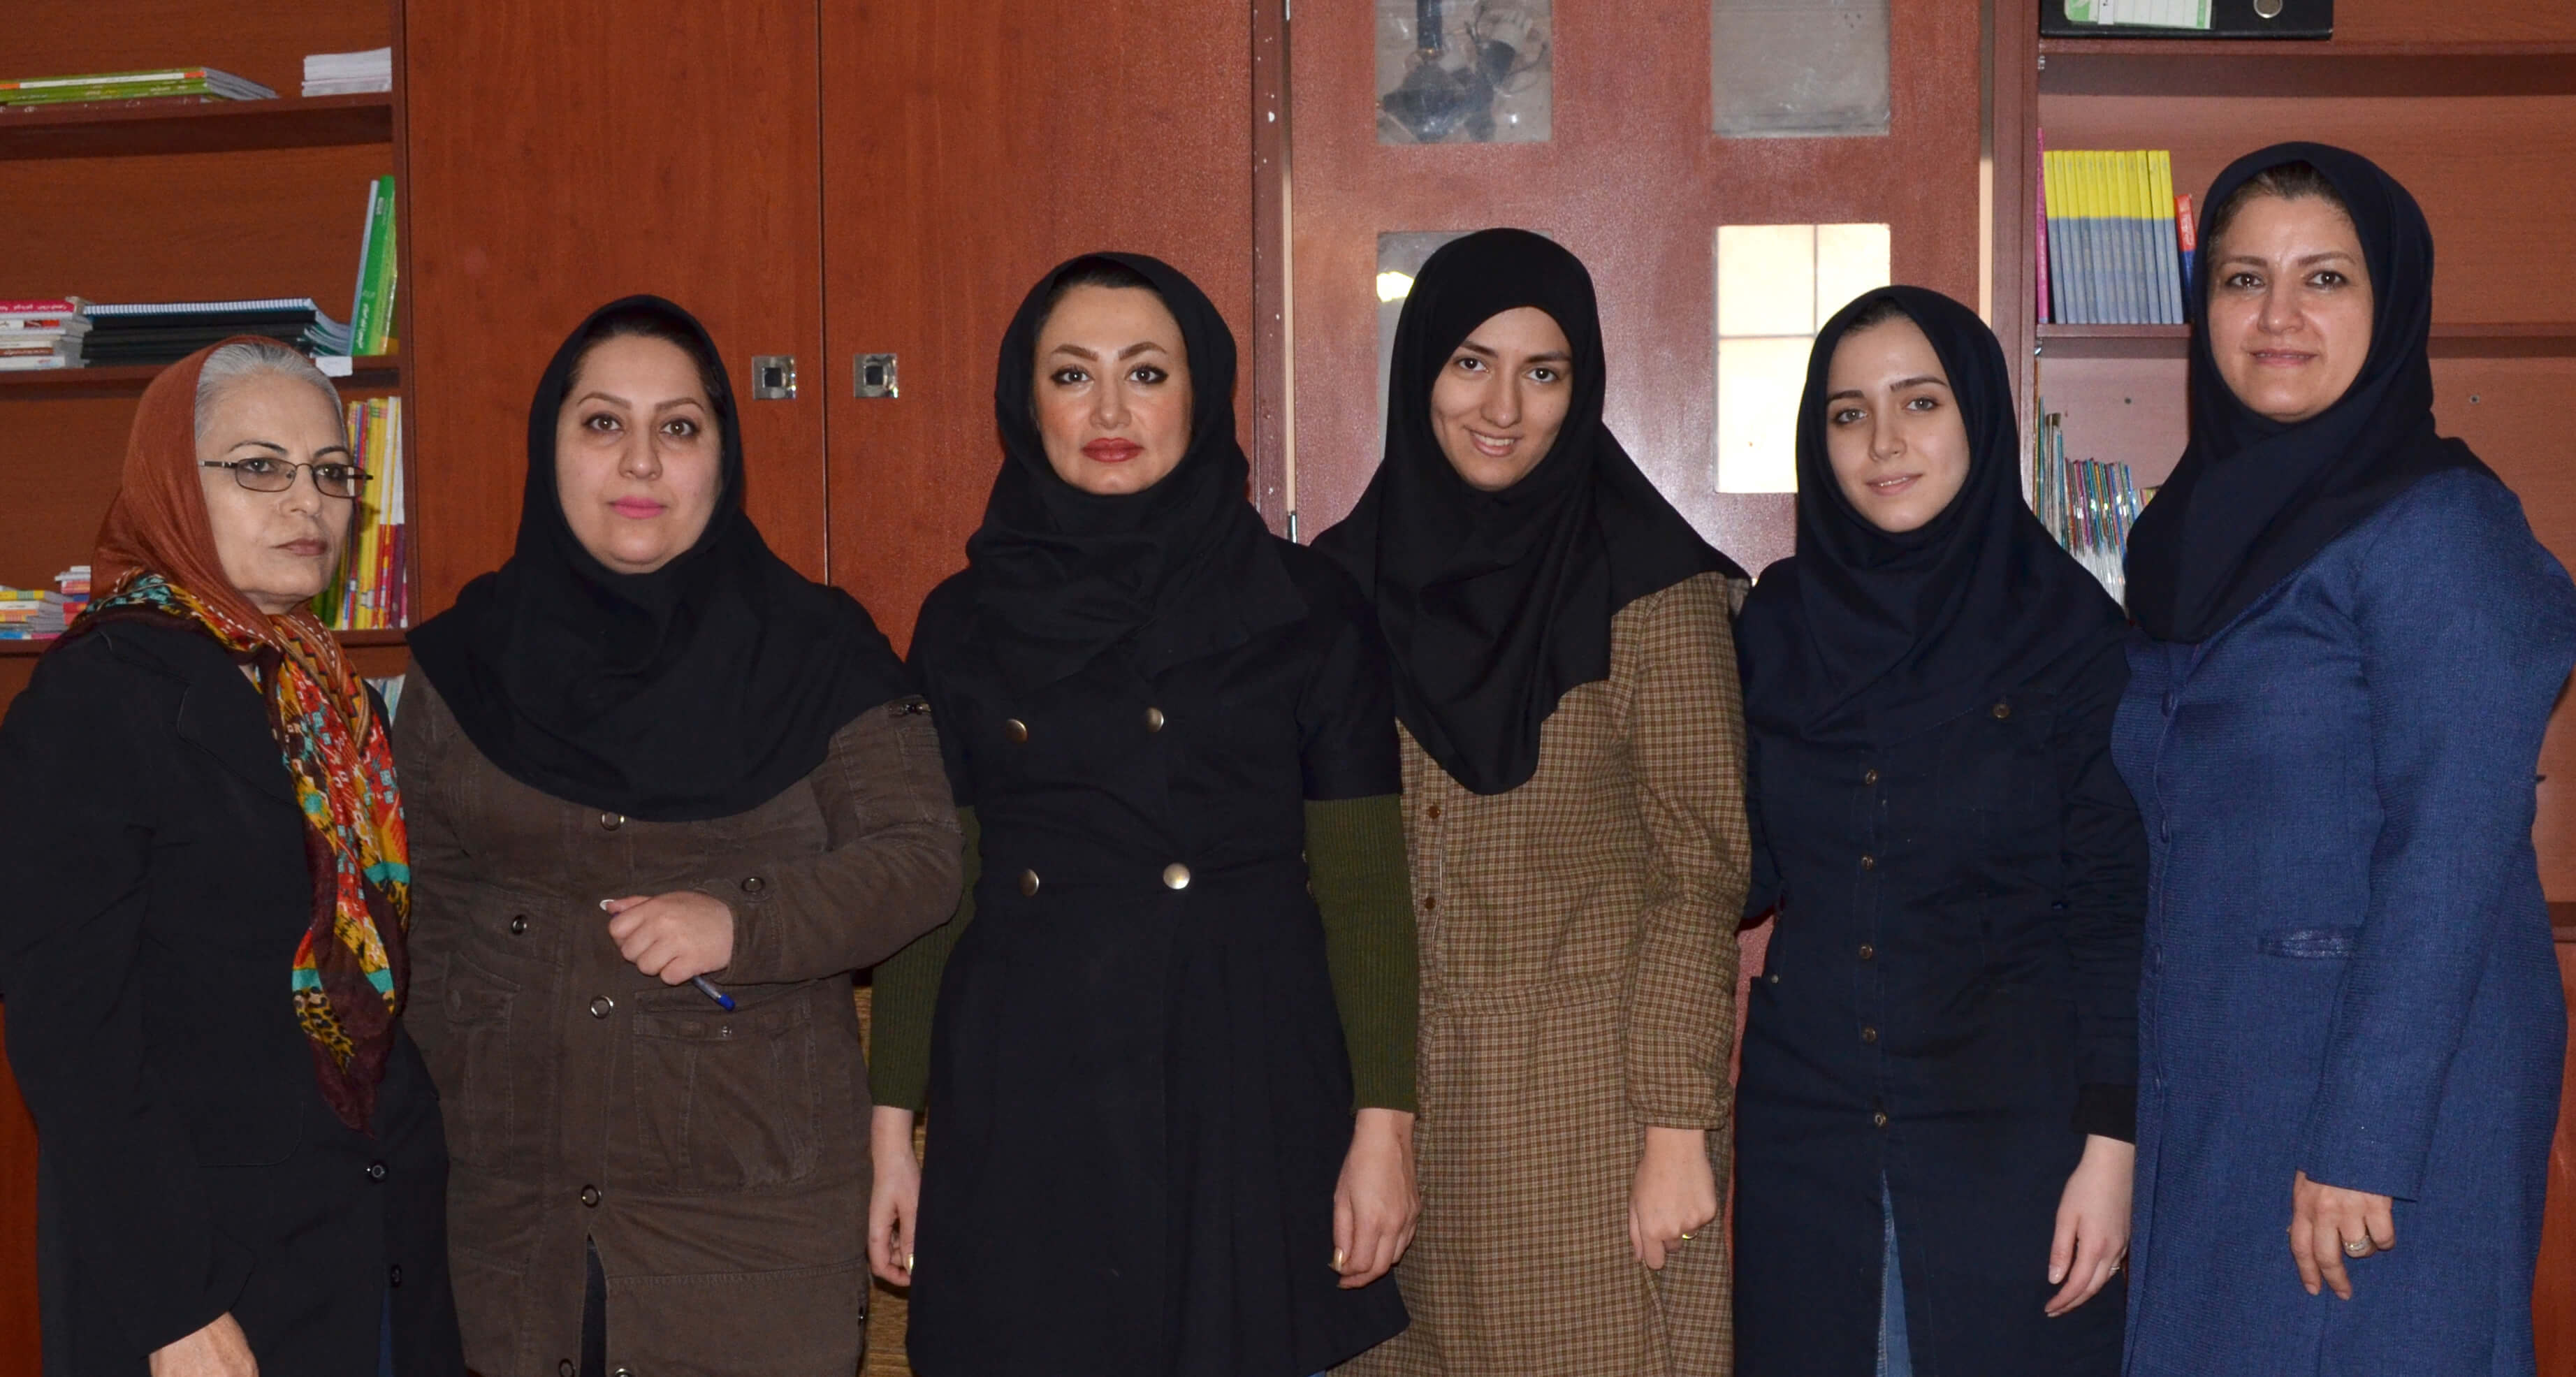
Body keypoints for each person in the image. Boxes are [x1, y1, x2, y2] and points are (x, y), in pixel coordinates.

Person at [865, 252, 1419, 1377]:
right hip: (1030, 1072)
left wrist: (1383, 1128)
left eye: (1147, 373)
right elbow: (937, 888)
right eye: (1073, 375)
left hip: (1242, 1069)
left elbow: (1364, 888)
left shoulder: (1308, 604)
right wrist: (891, 1133)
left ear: (1200, 395)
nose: (1110, 412)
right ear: (1028, 403)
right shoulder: (964, 619)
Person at [395, 296, 961, 1377]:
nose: (642, 462)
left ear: (722, 455)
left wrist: (742, 923)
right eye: (604, 423)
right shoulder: (461, 666)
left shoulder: (819, 649)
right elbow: (427, 918)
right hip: (514, 1221)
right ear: (550, 447)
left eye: (680, 427)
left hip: (747, 1225)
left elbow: (919, 860)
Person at [2116, 143, 2576, 1376]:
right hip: (2221, 1069)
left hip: (2387, 1100)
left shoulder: (2443, 524)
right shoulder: (2183, 531)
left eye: (2324, 278)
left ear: (2393, 303)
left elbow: (2454, 845)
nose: (2277, 316)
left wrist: (2367, 1138)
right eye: (2242, 279)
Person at [1316, 228, 1749, 1376]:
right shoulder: (1337, 589)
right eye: (1472, 363)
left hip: (1594, 1128)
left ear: (1582, 386)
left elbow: (1701, 870)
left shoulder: (1653, 591)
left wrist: (1676, 1127)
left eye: (1543, 372)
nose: (1503, 407)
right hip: (1387, 1116)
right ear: (1420, 371)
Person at [0, 337, 465, 1376]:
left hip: (371, 1241)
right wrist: (176, 1303)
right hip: (205, 1273)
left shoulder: (336, 700)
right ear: (173, 479)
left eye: (332, 473)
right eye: (259, 467)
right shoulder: (101, 694)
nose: (308, 502)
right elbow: (73, 1035)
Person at [1730, 286, 2144, 1376]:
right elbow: (1735, 866)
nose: (1884, 443)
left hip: (2016, 1135)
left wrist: (2113, 1151)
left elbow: (2114, 912)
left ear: (1980, 416)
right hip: (1809, 1127)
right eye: (1848, 413)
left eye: (1920, 402)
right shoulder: (1776, 624)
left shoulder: (2072, 633)